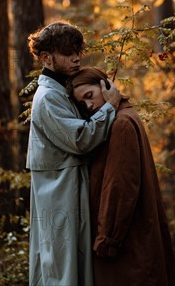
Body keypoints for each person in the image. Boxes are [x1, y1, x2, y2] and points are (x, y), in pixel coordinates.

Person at [26, 22, 122, 286]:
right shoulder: (47, 97)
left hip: (68, 191)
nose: (76, 57)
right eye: (68, 52)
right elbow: (80, 139)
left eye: (77, 50)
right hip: (58, 196)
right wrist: (110, 108)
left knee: (71, 266)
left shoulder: (62, 90)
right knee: (60, 268)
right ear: (46, 57)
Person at [68, 67, 175, 286]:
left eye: (89, 96)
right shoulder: (125, 117)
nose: (89, 106)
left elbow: (119, 187)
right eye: (82, 104)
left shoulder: (121, 124)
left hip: (126, 244)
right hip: (132, 237)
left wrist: (107, 239)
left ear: (105, 86)